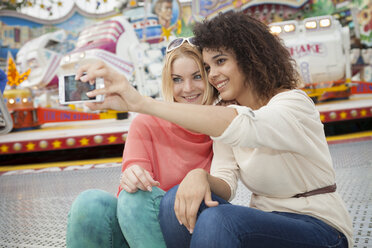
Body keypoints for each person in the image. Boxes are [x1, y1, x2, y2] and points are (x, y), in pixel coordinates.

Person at [77, 11, 353, 248]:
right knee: (178, 199)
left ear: (249, 57)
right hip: (264, 223)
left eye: (220, 62)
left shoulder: (293, 104)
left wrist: (141, 102)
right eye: (207, 67)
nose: (212, 76)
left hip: (320, 229)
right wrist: (200, 177)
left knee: (220, 219)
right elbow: (225, 182)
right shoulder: (225, 119)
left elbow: (244, 125)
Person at [66, 40, 217, 248]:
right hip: (144, 234)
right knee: (90, 203)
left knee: (136, 198)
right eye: (177, 79)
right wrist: (131, 176)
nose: (188, 88)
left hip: (200, 230)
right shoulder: (145, 124)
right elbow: (133, 198)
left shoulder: (222, 123)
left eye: (197, 76)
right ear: (167, 82)